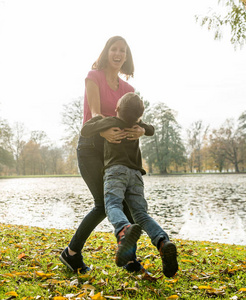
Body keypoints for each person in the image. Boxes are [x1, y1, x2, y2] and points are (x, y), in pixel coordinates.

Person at [59, 36, 153, 274]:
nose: (118, 54)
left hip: (115, 154)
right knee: (103, 204)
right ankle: (71, 253)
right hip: (91, 147)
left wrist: (140, 129)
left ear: (126, 56)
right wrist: (105, 132)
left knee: (127, 206)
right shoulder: (94, 77)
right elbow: (95, 114)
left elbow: (134, 119)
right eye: (114, 49)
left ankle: (130, 261)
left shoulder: (129, 89)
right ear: (106, 52)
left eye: (123, 50)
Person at [80, 92, 178, 278]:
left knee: (112, 205)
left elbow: (85, 130)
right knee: (140, 214)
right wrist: (142, 128)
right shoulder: (137, 126)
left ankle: (123, 229)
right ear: (139, 115)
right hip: (136, 174)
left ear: (117, 109)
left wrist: (99, 122)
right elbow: (151, 129)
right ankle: (163, 242)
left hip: (115, 171)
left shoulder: (110, 122)